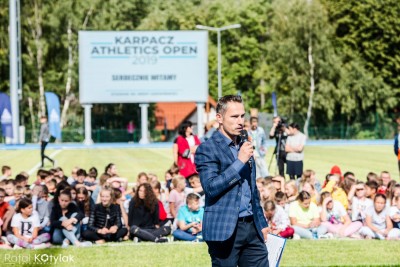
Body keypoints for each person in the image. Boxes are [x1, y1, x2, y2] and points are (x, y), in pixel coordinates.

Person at [194, 95, 269, 266]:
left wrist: (262, 222)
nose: (240, 121)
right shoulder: (207, 149)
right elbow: (211, 188)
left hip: (252, 227)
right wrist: (239, 162)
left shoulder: (245, 144)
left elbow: (252, 189)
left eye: (242, 116)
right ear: (219, 118)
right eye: (234, 117)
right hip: (224, 229)